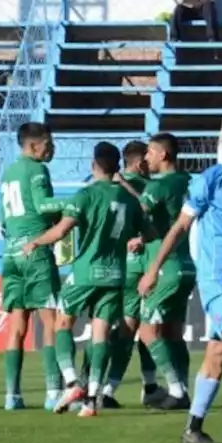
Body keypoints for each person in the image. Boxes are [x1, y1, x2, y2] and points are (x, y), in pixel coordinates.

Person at [140, 110, 222, 443]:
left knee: (218, 353)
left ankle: (192, 430)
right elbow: (181, 226)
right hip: (216, 277)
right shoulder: (209, 180)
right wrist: (154, 268)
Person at [22, 142, 150, 417]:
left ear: (94, 165)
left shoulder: (86, 195)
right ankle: (92, 400)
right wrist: (137, 239)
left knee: (62, 322)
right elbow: (149, 228)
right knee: (101, 332)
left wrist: (35, 242)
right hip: (116, 274)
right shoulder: (128, 199)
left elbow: (60, 231)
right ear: (117, 167)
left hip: (85, 272)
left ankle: (70, 383)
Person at [0, 122, 67, 410]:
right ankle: (52, 392)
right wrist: (73, 206)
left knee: (17, 326)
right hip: (34, 250)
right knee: (50, 322)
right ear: (34, 145)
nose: (52, 149)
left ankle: (12, 396)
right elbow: (42, 205)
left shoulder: (8, 173)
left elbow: (2, 221)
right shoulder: (37, 170)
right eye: (48, 143)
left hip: (10, 253)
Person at [135, 133, 196, 410]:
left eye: (149, 152)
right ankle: (183, 387)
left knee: (147, 332)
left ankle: (174, 389)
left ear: (163, 155)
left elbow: (138, 214)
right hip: (187, 266)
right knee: (173, 333)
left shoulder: (157, 187)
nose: (146, 157)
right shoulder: (189, 182)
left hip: (166, 267)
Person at [99, 141, 161, 408]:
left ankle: (106, 389)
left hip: (117, 266)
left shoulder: (106, 188)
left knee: (122, 330)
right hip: (144, 266)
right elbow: (153, 222)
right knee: (149, 329)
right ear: (139, 163)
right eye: (147, 160)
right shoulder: (148, 187)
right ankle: (152, 386)